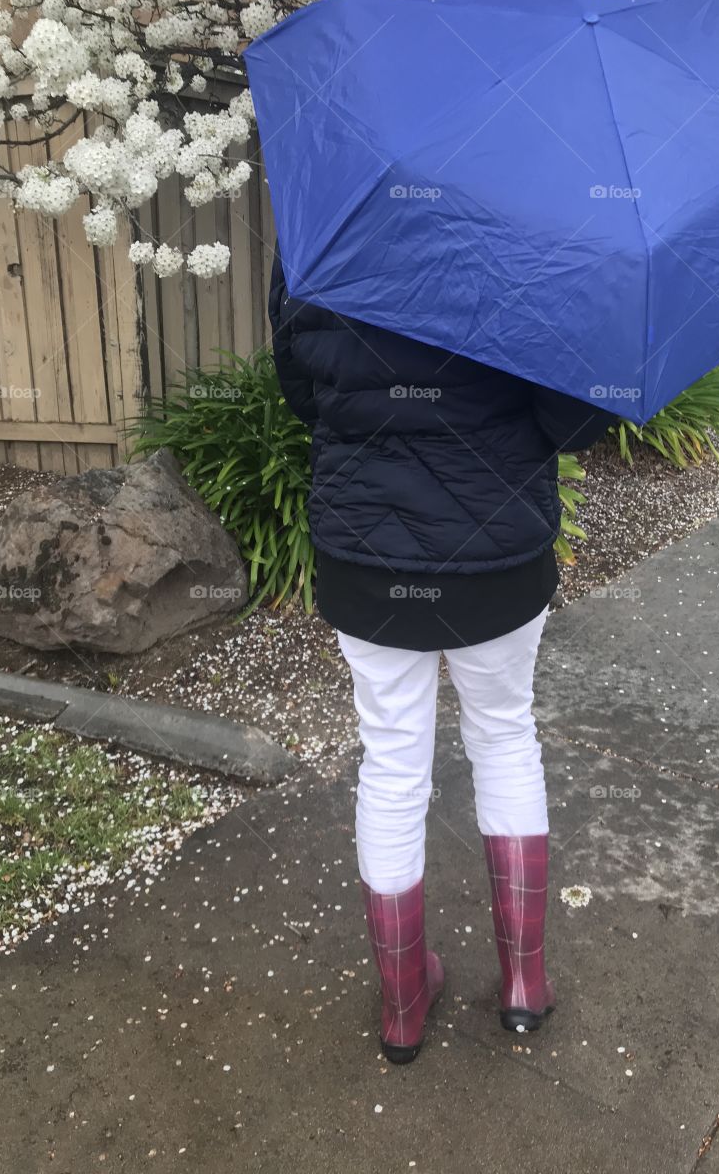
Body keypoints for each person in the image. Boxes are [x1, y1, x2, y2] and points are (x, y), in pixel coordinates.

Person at [268, 245, 616, 1064]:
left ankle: (402, 1005)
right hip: (497, 557)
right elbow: (576, 422)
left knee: (391, 763)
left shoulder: (322, 224)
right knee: (503, 737)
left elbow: (301, 392)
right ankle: (524, 982)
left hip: (367, 555)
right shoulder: (525, 233)